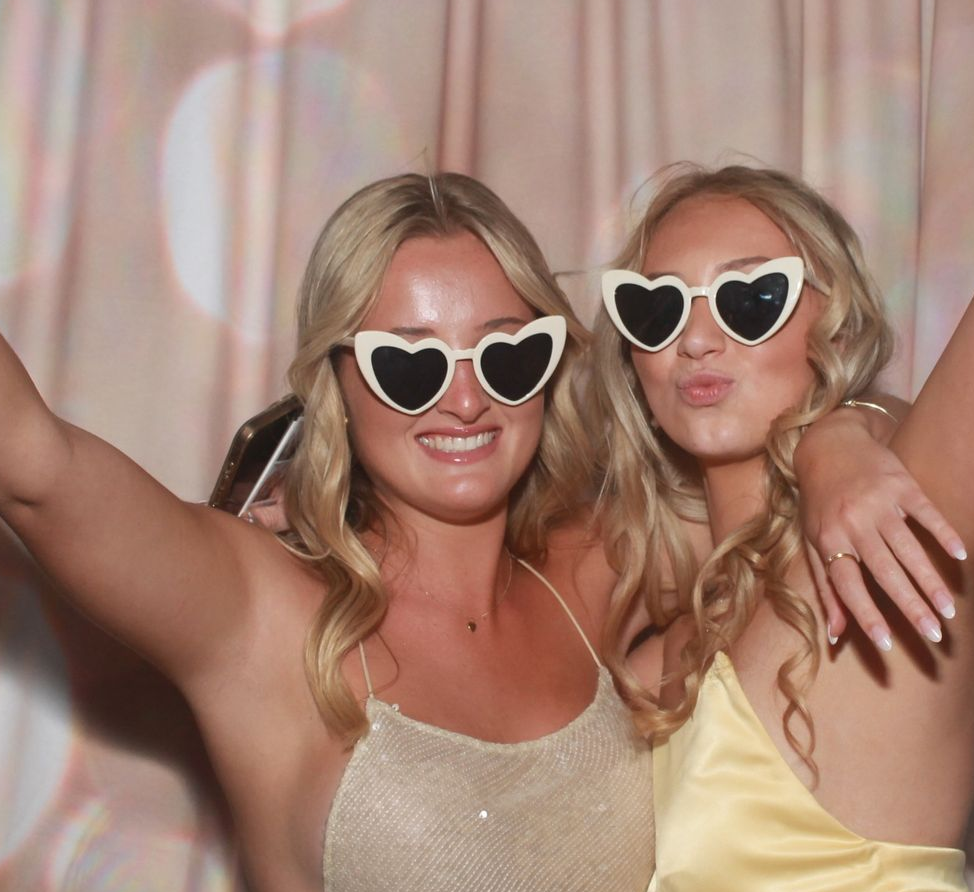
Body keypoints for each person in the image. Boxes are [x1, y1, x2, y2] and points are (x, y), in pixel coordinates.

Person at [590, 0, 974, 887]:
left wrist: (854, 432)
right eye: (655, 309)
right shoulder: (645, 657)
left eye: (749, 299)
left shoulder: (896, 532)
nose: (696, 340)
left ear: (831, 324)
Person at [0, 172, 657, 892]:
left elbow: (764, 522)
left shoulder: (597, 570)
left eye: (507, 355)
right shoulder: (260, 614)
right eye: (410, 365)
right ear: (335, 385)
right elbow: (34, 467)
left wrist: (811, 459)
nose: (467, 401)